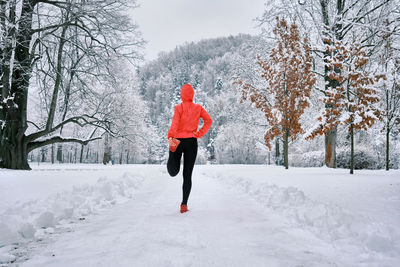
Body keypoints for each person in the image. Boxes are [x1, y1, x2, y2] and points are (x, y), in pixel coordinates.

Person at [167, 84, 212, 213]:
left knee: (173, 172)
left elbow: (175, 123)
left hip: (178, 141)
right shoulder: (198, 108)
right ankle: (184, 205)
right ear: (192, 95)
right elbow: (208, 120)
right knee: (187, 175)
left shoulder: (179, 108)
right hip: (192, 142)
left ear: (182, 95)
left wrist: (171, 136)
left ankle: (171, 154)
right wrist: (199, 134)